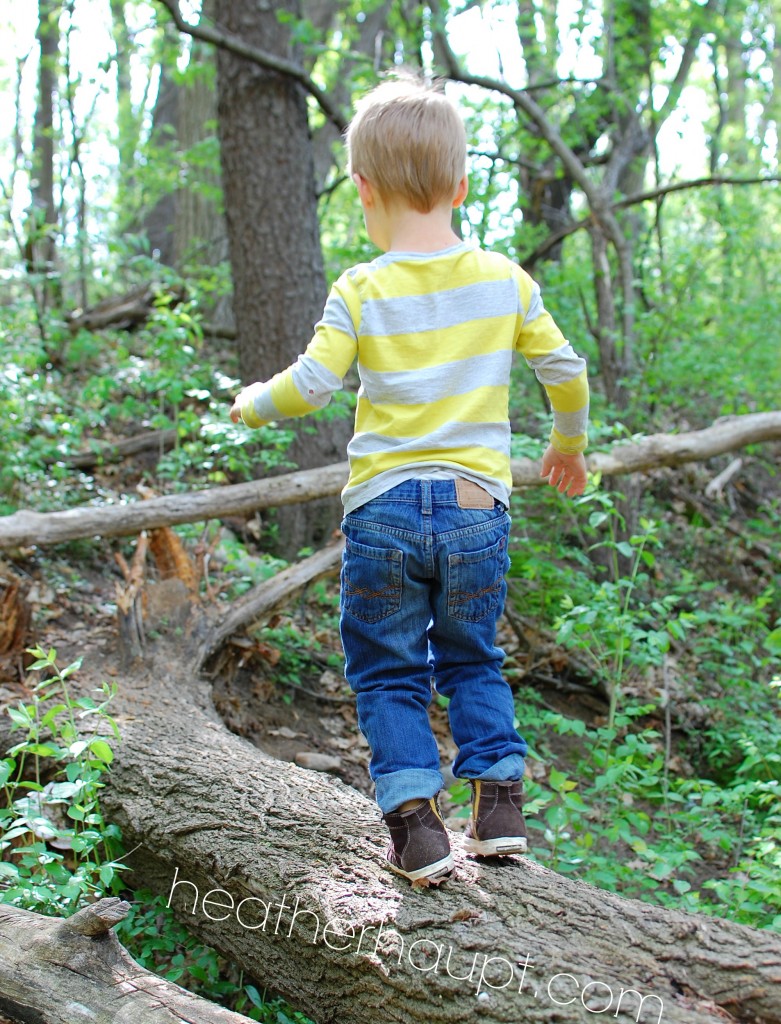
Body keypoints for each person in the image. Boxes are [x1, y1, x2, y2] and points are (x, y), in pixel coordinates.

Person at [230, 73, 589, 885]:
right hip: (474, 504)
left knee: (389, 670)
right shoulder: (504, 280)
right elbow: (565, 371)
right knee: (472, 658)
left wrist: (252, 404)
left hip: (385, 506)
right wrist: (566, 443)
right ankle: (498, 807)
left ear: (360, 188)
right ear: (459, 187)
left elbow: (311, 387)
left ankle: (416, 828)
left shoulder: (360, 288)